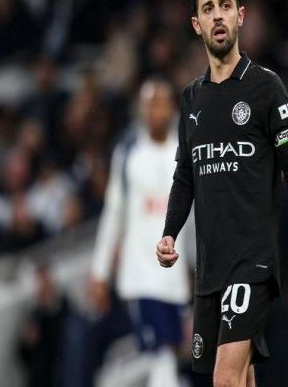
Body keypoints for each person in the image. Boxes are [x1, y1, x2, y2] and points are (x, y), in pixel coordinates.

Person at [156, 0, 288, 387]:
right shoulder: (191, 99)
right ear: (197, 24)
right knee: (241, 378)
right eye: (208, 8)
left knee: (224, 379)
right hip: (210, 269)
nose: (218, 15)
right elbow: (185, 176)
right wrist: (169, 232)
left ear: (240, 15)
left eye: (225, 5)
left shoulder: (266, 89)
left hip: (253, 262)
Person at [91, 78, 190, 387]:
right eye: (149, 105)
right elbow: (113, 214)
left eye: (161, 104)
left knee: (172, 352)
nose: (155, 112)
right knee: (162, 351)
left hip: (176, 275)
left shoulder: (187, 149)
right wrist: (100, 272)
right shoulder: (129, 153)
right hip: (140, 274)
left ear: (171, 108)